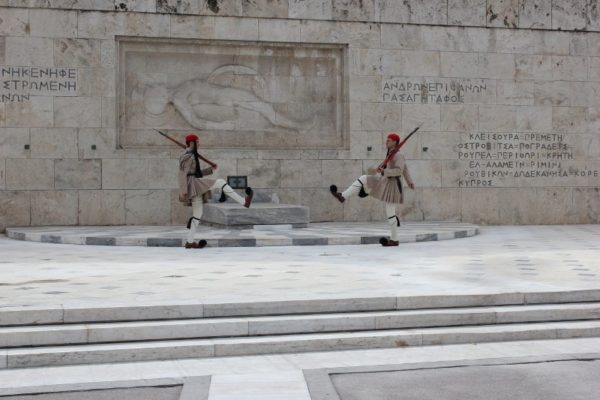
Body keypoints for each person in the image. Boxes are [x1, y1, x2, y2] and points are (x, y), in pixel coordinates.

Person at [330, 133, 415, 247]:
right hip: (385, 182)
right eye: (387, 140)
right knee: (364, 178)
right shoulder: (391, 153)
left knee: (390, 213)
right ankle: (343, 196)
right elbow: (402, 169)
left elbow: (401, 170)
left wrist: (406, 180)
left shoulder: (398, 155)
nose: (386, 142)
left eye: (389, 140)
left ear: (395, 142)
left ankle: (394, 240)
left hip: (393, 185)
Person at [178, 133, 253, 248]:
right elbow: (182, 174)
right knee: (221, 182)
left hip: (194, 183)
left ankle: (189, 241)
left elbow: (196, 172)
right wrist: (184, 190)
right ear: (192, 143)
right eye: (197, 142)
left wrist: (210, 170)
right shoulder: (189, 156)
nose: (199, 144)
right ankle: (243, 201)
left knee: (197, 214)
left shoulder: (192, 155)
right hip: (193, 184)